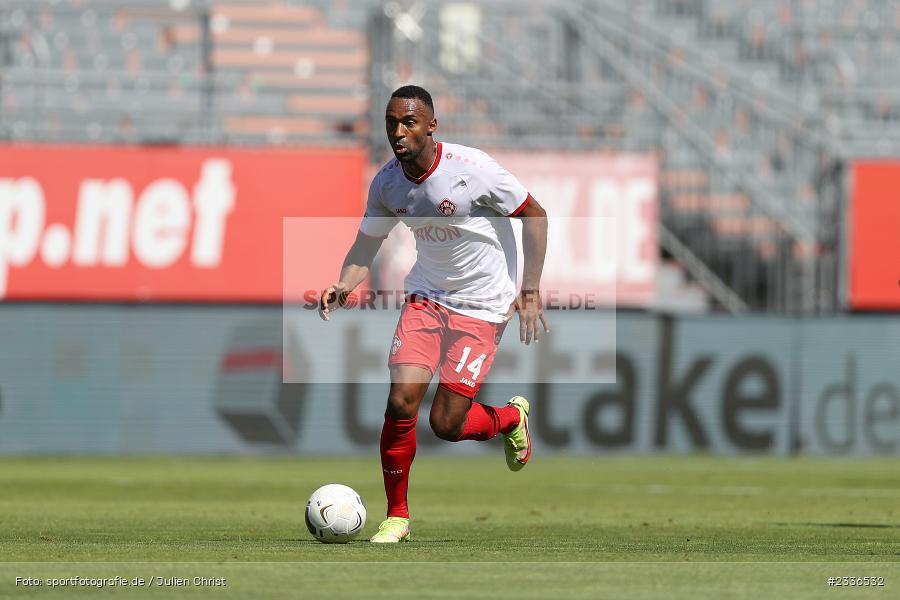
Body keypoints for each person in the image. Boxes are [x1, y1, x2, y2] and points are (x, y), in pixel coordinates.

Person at [318, 85, 549, 543]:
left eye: (408, 122)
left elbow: (535, 214)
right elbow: (368, 243)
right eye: (391, 123)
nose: (398, 132)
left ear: (430, 126)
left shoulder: (473, 170)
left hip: (482, 305)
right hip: (426, 297)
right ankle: (397, 516)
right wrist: (344, 284)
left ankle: (509, 420)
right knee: (401, 400)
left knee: (447, 424)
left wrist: (530, 290)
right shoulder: (386, 184)